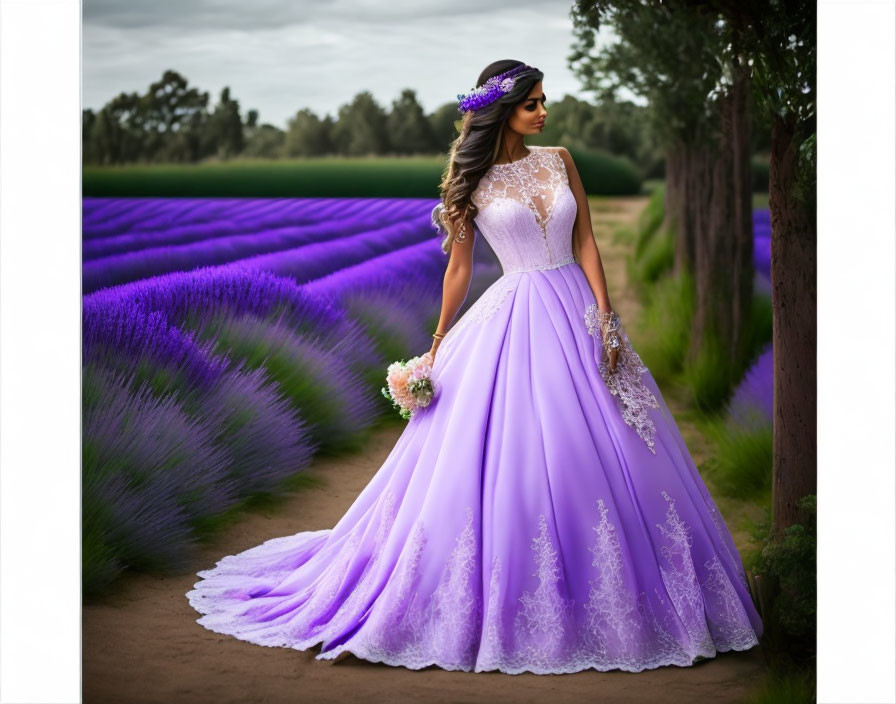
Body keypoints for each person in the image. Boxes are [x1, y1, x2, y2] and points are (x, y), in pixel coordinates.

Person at [186, 60, 763, 675]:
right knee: (516, 450)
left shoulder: (560, 159)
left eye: (544, 101)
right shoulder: (474, 181)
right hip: (513, 314)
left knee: (616, 444)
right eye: (531, 104)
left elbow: (585, 241)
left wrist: (605, 314)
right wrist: (436, 343)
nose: (544, 112)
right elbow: (459, 269)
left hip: (576, 309)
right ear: (502, 111)